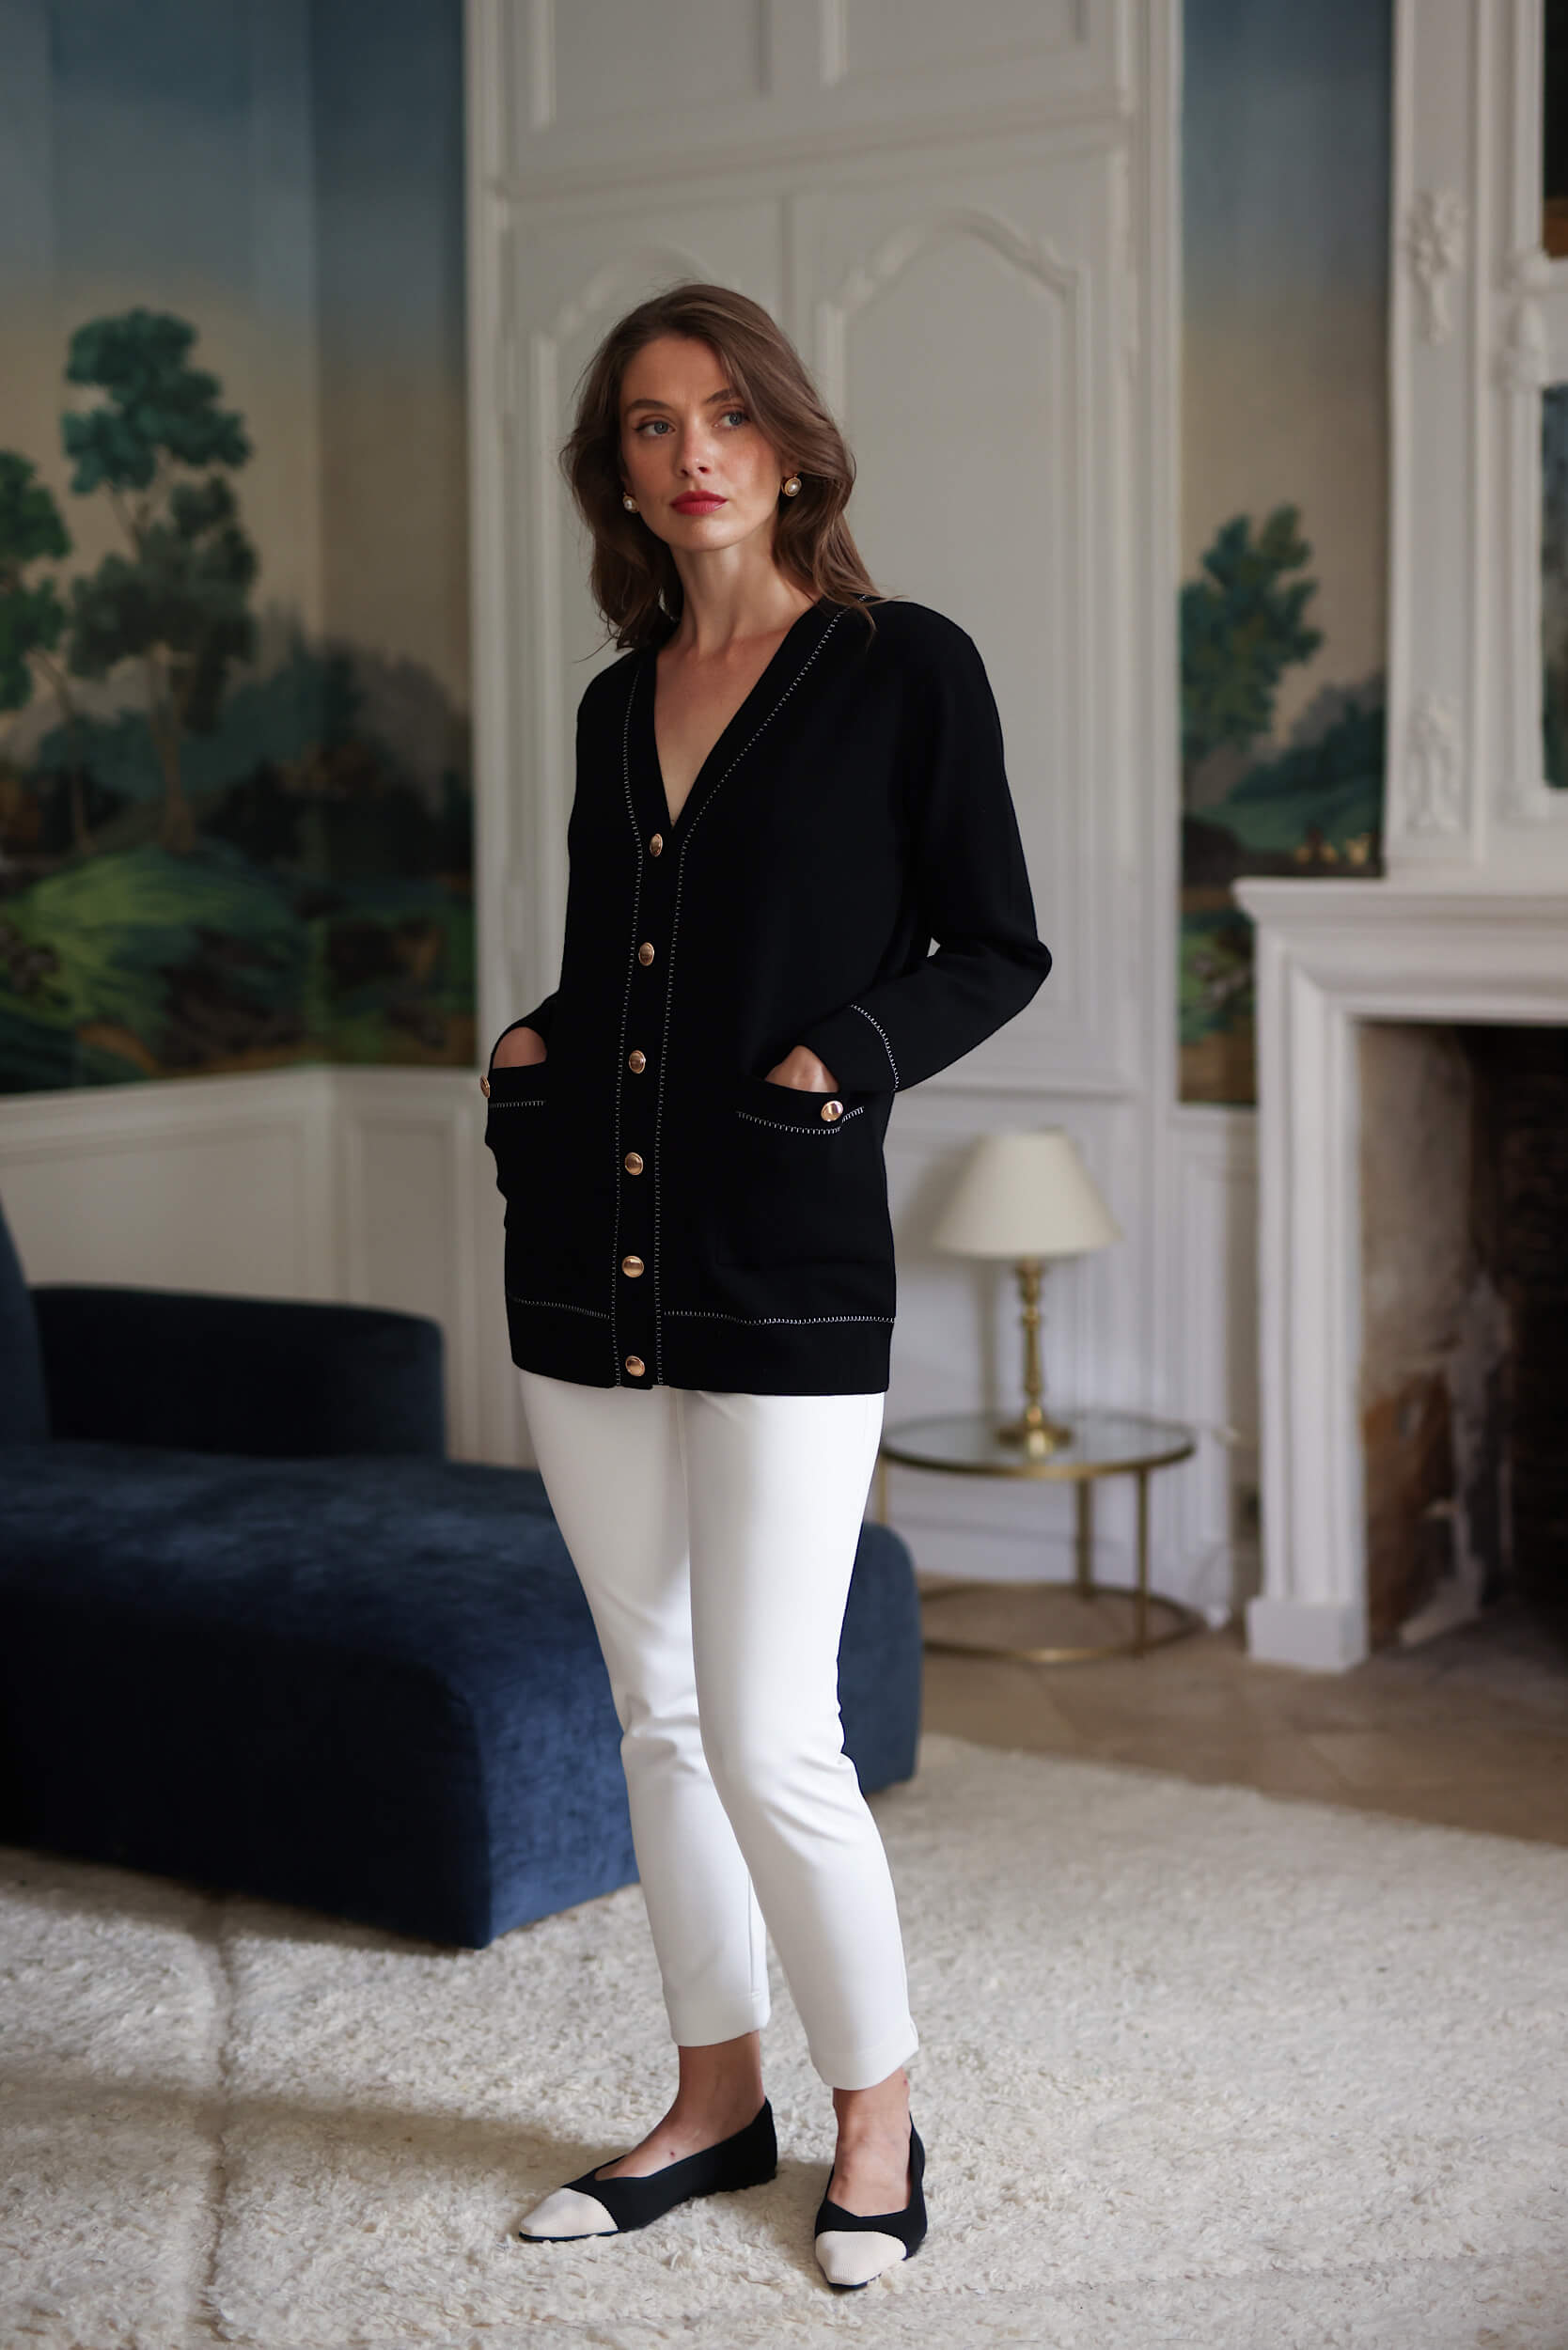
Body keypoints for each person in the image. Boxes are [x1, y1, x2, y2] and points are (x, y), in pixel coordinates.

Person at [484, 281, 1052, 2290]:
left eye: (726, 412)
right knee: (654, 1709)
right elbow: (633, 971)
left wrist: (840, 1062)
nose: (694, 452)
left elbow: (994, 946)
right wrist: (539, 1045)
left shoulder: (905, 668)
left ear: (792, 443)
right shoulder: (613, 701)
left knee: (769, 1727)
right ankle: (712, 2100)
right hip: (587, 1255)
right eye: (652, 424)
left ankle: (875, 2118)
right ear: (619, 473)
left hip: (788, 1252)